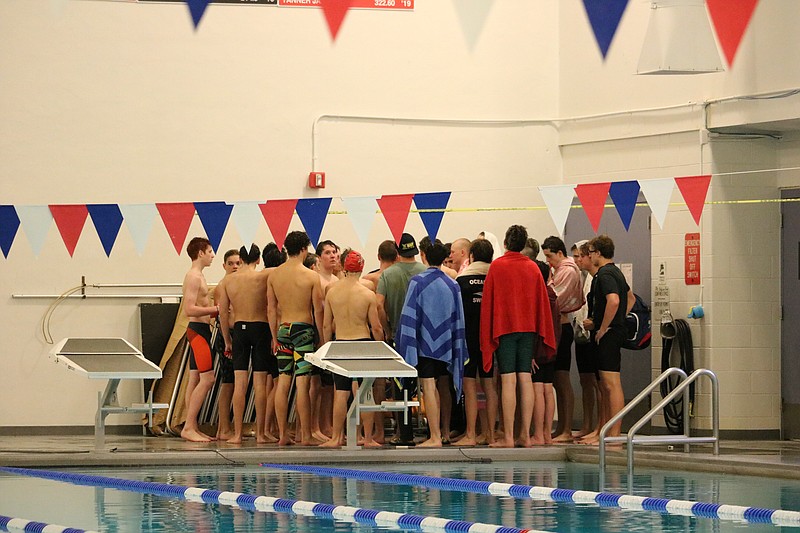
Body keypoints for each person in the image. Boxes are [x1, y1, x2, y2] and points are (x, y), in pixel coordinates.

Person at [480, 225, 556, 448]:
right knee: (525, 379)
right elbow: (542, 303)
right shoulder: (532, 268)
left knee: (508, 380)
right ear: (524, 244)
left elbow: (488, 302)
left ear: (505, 243)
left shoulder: (497, 266)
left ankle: (509, 437)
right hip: (528, 329)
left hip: (504, 328)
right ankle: (525, 434)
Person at [396, 241, 468, 448]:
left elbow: (409, 317)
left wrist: (407, 344)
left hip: (424, 343)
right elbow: (458, 319)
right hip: (446, 343)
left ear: (423, 255)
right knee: (444, 386)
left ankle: (434, 436)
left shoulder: (417, 282)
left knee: (429, 386)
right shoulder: (452, 284)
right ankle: (444, 432)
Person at [320, 250, 384, 448]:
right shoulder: (367, 294)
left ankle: (336, 437)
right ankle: (368, 438)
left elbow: (325, 325)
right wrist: (380, 346)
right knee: (365, 392)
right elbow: (376, 327)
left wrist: (326, 347)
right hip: (362, 344)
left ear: (345, 268)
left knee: (341, 392)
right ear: (362, 268)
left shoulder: (332, 292)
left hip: (340, 344)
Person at [267, 231, 324, 446]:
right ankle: (306, 435)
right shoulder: (311, 276)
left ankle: (283, 435)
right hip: (303, 331)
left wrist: (274, 336)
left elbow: (271, 309)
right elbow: (318, 310)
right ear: (303, 249)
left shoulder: (274, 275)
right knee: (302, 384)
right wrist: (323, 338)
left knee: (283, 381)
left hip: (283, 330)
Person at [216, 244, 277, 445]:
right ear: (258, 259)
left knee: (239, 384)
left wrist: (227, 339)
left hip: (240, 329)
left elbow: (223, 313)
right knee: (260, 385)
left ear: (240, 259)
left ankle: (236, 434)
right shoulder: (264, 276)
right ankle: (260, 434)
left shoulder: (227, 281)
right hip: (261, 328)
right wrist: (275, 337)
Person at [582, 235, 635, 442]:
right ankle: (604, 432)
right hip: (614, 330)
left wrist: (604, 327)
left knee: (611, 383)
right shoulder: (615, 272)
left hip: (610, 334)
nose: (590, 255)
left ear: (598, 253)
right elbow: (630, 298)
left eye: (591, 252)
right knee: (605, 385)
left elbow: (614, 301)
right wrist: (618, 319)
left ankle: (613, 434)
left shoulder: (605, 274)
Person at [376, 233, 426, 444]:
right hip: (424, 336)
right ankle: (435, 431)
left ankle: (403, 434)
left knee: (401, 385)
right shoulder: (425, 272)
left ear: (398, 253)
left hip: (399, 335)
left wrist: (386, 328)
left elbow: (378, 304)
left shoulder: (388, 274)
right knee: (428, 384)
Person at [453, 237, 498, 446]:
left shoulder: (462, 280)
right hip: (491, 338)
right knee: (490, 386)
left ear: (471, 256)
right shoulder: (496, 276)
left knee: (470, 386)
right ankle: (490, 434)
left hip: (468, 338)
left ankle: (470, 434)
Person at [541, 235, 584, 443]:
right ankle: (561, 428)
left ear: (560, 253)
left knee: (562, 378)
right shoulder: (559, 270)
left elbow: (554, 299)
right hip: (559, 326)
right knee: (558, 380)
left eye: (550, 256)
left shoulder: (567, 270)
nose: (548, 261)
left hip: (563, 328)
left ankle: (566, 428)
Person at [180, 237, 219, 443]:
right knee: (208, 379)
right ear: (201, 253)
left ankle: (192, 425)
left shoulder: (199, 276)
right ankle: (188, 427)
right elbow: (188, 309)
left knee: (194, 379)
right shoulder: (194, 277)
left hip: (201, 329)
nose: (213, 255)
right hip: (197, 331)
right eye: (210, 251)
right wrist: (216, 310)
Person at [571, 240, 600, 440]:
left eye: (580, 256)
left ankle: (601, 425)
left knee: (599, 383)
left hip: (595, 334)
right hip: (581, 332)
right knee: (585, 381)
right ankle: (587, 423)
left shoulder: (599, 277)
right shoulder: (580, 277)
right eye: (575, 257)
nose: (577, 260)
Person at [212, 249, 241, 441]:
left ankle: (224, 427)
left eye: (238, 263)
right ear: (224, 266)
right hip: (226, 335)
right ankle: (223, 428)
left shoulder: (239, 284)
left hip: (237, 333)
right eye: (231, 263)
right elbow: (222, 314)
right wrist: (226, 339)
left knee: (235, 382)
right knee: (228, 382)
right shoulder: (222, 286)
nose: (235, 267)